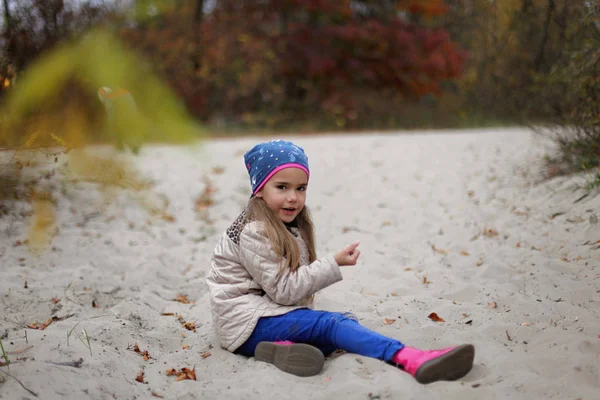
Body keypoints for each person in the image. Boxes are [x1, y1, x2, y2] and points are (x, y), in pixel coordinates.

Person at [206, 140, 475, 384]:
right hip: (245, 324)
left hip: (259, 319)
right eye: (282, 187)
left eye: (301, 188)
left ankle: (277, 349)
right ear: (260, 190)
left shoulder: (285, 224)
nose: (293, 197)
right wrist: (332, 264)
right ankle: (410, 358)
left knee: (344, 324)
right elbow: (285, 291)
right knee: (334, 326)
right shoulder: (255, 231)